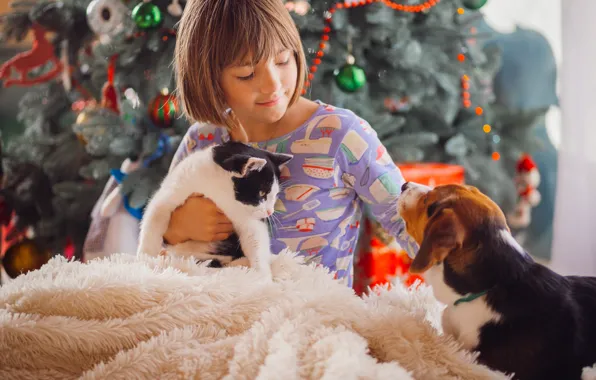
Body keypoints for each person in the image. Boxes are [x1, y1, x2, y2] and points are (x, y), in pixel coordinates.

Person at [165, 0, 418, 287]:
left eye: (283, 60)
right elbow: (157, 257)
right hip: (221, 318)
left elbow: (407, 221)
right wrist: (175, 229)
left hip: (315, 321)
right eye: (246, 74)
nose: (273, 84)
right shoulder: (203, 139)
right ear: (209, 78)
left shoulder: (341, 135)